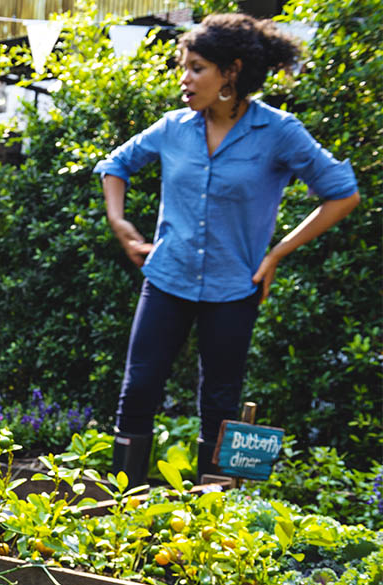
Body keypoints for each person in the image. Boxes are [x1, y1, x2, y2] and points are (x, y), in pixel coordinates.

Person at [95, 13, 359, 484]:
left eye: (196, 67)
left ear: (230, 72)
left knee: (219, 403)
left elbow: (342, 193)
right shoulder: (174, 127)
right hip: (167, 277)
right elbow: (116, 164)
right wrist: (119, 221)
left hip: (235, 288)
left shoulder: (278, 132)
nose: (185, 78)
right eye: (183, 66)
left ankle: (210, 518)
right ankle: (120, 508)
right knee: (138, 393)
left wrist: (277, 253)